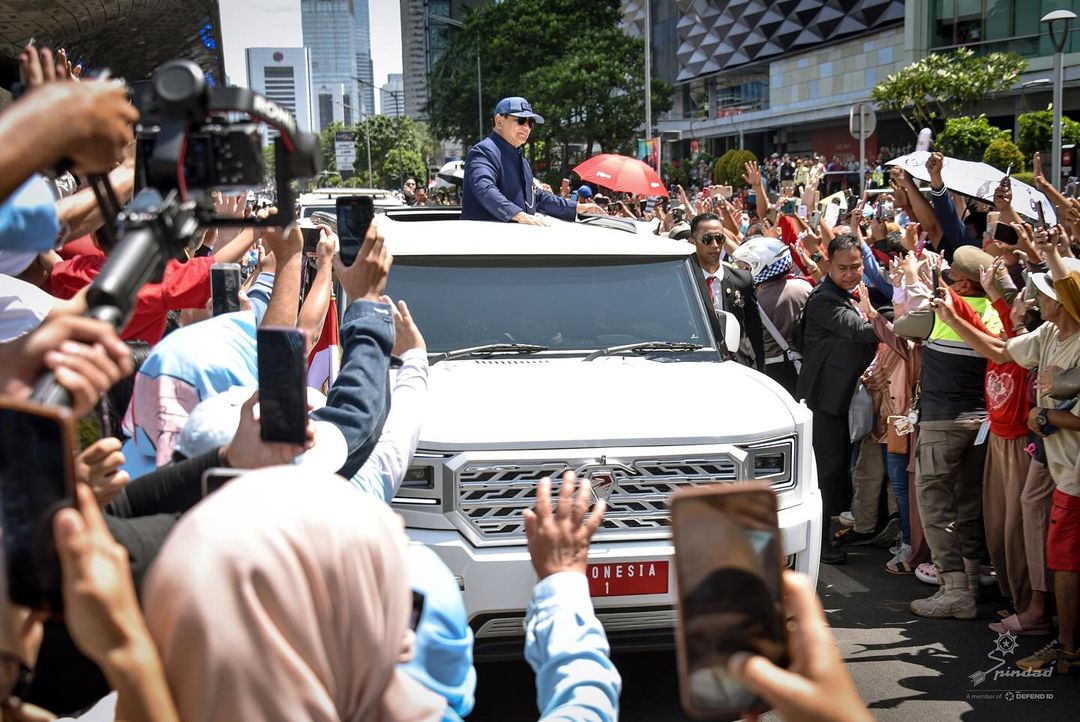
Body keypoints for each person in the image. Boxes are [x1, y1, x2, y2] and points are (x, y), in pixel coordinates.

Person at [894, 246, 999, 619]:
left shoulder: (942, 315)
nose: (947, 283)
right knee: (970, 503)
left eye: (952, 277)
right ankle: (971, 579)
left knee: (936, 503)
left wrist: (920, 288)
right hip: (983, 425)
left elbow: (901, 326)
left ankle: (954, 589)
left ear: (965, 283)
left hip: (942, 423)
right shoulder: (998, 316)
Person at [795, 234, 879, 565]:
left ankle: (839, 529)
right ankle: (821, 541)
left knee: (840, 470)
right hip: (822, 401)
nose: (850, 273)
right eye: (842, 267)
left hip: (843, 398)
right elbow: (858, 331)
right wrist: (896, 321)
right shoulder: (824, 299)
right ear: (828, 265)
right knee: (826, 473)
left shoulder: (851, 293)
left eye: (856, 266)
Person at [461, 97, 599, 225]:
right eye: (520, 121)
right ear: (499, 121)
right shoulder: (483, 152)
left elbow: (536, 197)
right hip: (484, 245)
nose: (526, 128)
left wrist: (576, 207)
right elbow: (484, 189)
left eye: (530, 122)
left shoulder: (520, 159)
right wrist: (516, 214)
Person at [731, 236, 810, 395]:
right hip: (804, 366)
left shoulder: (753, 300)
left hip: (770, 371)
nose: (740, 272)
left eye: (745, 267)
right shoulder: (804, 287)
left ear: (761, 266)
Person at [690, 213, 765, 371]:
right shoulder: (685, 281)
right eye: (707, 239)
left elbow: (754, 331)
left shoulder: (742, 280)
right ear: (693, 242)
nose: (715, 245)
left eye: (719, 238)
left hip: (738, 365)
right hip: (698, 365)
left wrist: (759, 369)